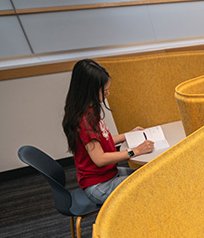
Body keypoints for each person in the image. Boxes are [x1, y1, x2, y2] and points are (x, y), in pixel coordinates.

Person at [62, 59, 154, 204]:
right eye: (104, 91)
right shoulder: (84, 120)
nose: (108, 94)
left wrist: (127, 135)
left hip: (109, 175)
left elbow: (103, 139)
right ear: (90, 90)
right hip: (99, 186)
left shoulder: (89, 109)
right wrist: (135, 151)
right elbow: (100, 159)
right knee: (150, 185)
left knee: (151, 175)